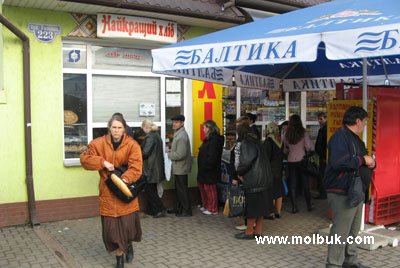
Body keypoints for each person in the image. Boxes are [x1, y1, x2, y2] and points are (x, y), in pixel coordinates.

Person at [80, 114, 142, 268]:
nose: (116, 131)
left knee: (127, 227)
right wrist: (102, 162)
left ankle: (124, 251)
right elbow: (84, 159)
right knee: (112, 231)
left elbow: (136, 167)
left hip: (125, 192)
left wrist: (124, 180)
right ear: (109, 128)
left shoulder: (132, 145)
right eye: (114, 127)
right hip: (107, 192)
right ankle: (121, 253)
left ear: (124, 129)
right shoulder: (99, 143)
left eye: (119, 128)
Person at [323, 106, 375, 268]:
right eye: (364, 122)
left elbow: (363, 157)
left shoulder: (355, 138)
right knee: (340, 231)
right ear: (357, 121)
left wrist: (371, 163)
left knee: (353, 230)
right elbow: (339, 162)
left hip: (356, 190)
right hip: (342, 191)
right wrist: (363, 160)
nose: (365, 125)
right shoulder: (339, 137)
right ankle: (333, 264)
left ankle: (349, 260)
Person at [234, 123, 273, 239]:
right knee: (261, 208)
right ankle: (258, 232)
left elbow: (246, 161)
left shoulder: (246, 143)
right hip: (264, 178)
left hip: (254, 180)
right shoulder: (257, 141)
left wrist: (240, 173)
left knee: (252, 207)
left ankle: (249, 231)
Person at [283, 114, 314, 213]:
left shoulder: (287, 134)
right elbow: (309, 147)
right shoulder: (303, 132)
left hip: (291, 160)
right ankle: (309, 206)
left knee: (292, 184)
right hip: (302, 160)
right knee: (305, 183)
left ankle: (294, 207)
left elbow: (285, 148)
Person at [166, 114, 193, 217]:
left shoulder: (181, 136)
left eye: (176, 122)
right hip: (179, 167)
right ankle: (178, 208)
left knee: (182, 190)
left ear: (182, 123)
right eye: (173, 122)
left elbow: (180, 154)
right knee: (178, 189)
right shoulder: (178, 133)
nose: (174, 124)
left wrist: (168, 154)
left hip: (181, 167)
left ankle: (187, 211)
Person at [197, 120, 224, 215]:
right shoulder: (209, 139)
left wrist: (207, 166)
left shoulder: (215, 140)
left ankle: (213, 208)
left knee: (210, 189)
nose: (203, 129)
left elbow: (212, 156)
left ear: (209, 128)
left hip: (210, 169)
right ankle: (207, 205)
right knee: (204, 188)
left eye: (204, 127)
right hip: (205, 169)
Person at [140, 119, 166, 218]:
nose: (143, 130)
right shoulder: (157, 136)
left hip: (151, 168)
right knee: (152, 189)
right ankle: (151, 210)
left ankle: (159, 209)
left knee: (150, 190)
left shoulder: (150, 137)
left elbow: (146, 153)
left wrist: (136, 154)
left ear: (146, 127)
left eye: (143, 128)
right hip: (156, 168)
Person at [263, 122, 285, 218]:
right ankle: (278, 212)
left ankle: (270, 213)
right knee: (279, 191)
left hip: (270, 170)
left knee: (270, 191)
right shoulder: (280, 141)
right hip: (279, 169)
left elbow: (266, 157)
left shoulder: (268, 141)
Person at [314, 112, 328, 199]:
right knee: (322, 174)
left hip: (323, 156)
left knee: (323, 175)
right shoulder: (322, 129)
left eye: (321, 119)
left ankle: (323, 194)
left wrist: (323, 156)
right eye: (318, 119)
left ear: (326, 118)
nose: (319, 121)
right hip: (322, 155)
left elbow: (323, 144)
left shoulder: (325, 129)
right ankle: (323, 193)